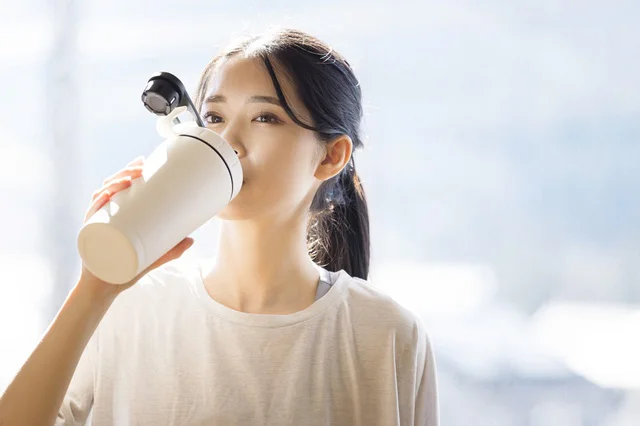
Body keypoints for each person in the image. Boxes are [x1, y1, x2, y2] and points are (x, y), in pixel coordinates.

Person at [0, 28, 438, 425]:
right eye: (213, 118)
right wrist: (93, 291)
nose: (228, 142)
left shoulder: (387, 334)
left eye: (265, 117)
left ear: (330, 156)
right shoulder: (128, 307)